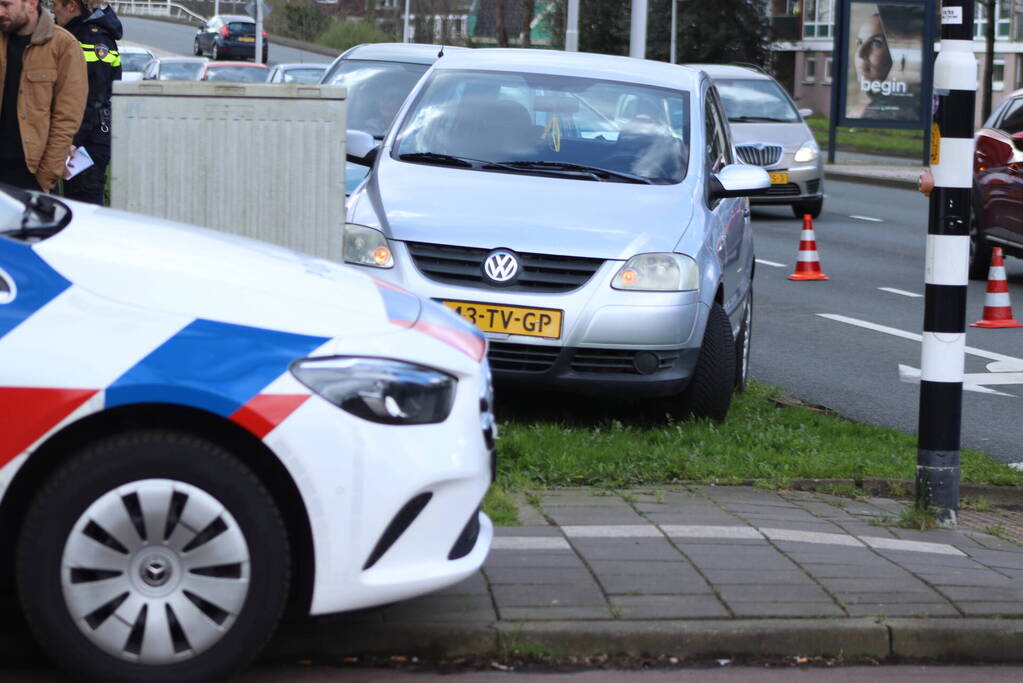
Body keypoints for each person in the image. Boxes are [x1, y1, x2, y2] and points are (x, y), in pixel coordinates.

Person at [0, 0, 86, 192]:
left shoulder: (63, 45)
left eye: (6, 5)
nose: (0, 12)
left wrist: (47, 176)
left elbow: (66, 118)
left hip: (32, 175)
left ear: (31, 4)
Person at [53, 0, 121, 204]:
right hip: (85, 136)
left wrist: (73, 140)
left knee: (84, 203)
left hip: (89, 140)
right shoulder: (80, 33)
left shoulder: (92, 37)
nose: (52, 9)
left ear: (71, 6)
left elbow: (93, 97)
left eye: (56, 4)